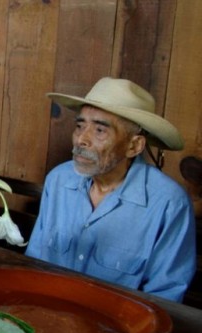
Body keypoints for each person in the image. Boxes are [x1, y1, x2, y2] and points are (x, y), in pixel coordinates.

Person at [25, 77, 195, 302]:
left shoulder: (168, 203)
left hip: (118, 322)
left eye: (99, 130)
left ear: (134, 146)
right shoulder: (58, 180)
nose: (81, 140)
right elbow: (34, 263)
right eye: (79, 126)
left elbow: (165, 297)